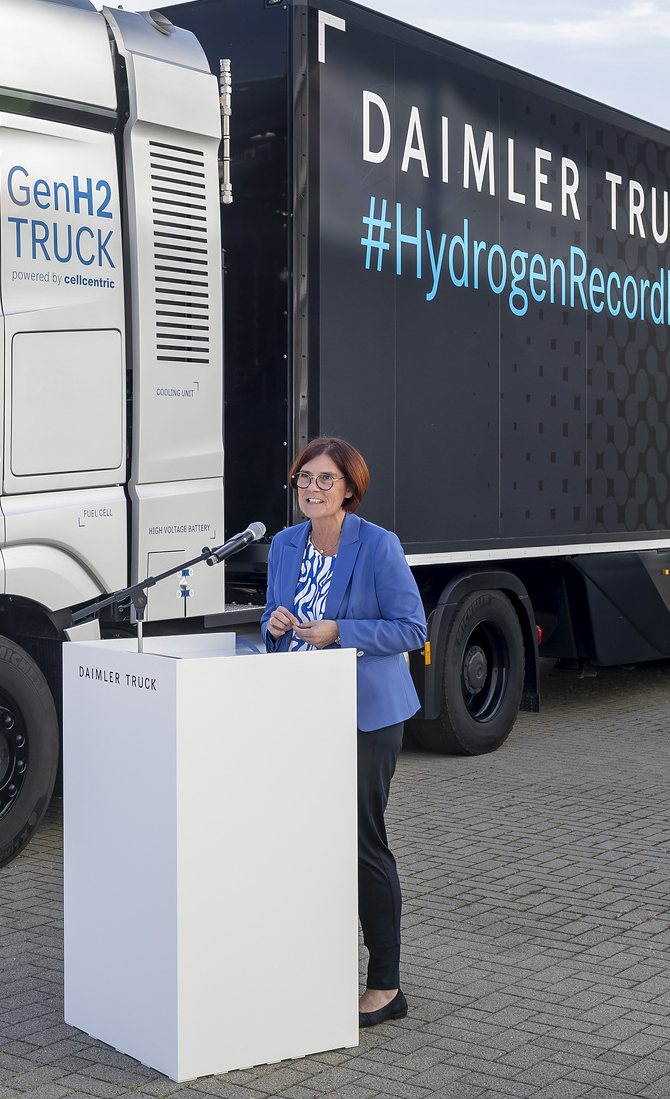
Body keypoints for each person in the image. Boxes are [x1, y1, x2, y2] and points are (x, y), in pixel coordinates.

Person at [263, 436, 426, 1028]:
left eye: (325, 479)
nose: (311, 488)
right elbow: (272, 616)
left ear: (349, 489)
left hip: (365, 716)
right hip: (299, 712)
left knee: (361, 843)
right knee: (305, 842)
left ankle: (386, 986)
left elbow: (411, 628)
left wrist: (340, 632)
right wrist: (275, 622)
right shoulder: (284, 545)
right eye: (304, 478)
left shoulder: (378, 546)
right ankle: (309, 967)